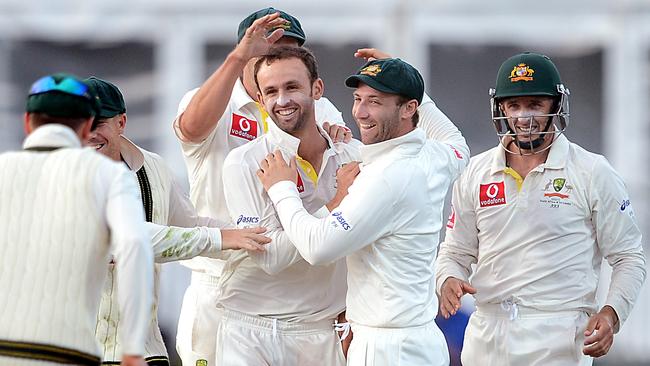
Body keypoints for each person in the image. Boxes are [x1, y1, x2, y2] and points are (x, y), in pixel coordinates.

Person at [435, 52, 647, 365]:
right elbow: (455, 252)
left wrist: (611, 313)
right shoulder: (475, 172)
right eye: (514, 105)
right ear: (501, 108)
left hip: (558, 337)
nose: (523, 117)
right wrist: (448, 279)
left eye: (535, 104)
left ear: (555, 106)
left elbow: (629, 256)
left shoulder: (592, 172)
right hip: (487, 336)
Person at [257, 57, 469, 365]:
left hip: (387, 349)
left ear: (409, 109)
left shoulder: (385, 177)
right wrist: (401, 75)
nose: (360, 113)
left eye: (375, 102)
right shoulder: (435, 155)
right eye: (358, 99)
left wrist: (282, 189)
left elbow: (317, 248)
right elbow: (457, 141)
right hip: (419, 340)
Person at [173, 8, 349, 365]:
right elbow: (190, 129)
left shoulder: (317, 104)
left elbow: (341, 164)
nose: (279, 59)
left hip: (298, 290)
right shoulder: (214, 98)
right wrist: (239, 55)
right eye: (266, 52)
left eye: (290, 51)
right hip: (220, 276)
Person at [84, 77, 271, 366]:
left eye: (98, 124)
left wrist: (256, 236)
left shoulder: (153, 168)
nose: (88, 134)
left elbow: (190, 223)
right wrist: (222, 238)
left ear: (121, 123)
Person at [218, 45, 360, 366]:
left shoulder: (354, 158)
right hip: (249, 329)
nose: (282, 100)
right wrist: (337, 205)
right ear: (260, 100)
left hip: (321, 331)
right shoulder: (244, 162)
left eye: (292, 87)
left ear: (317, 89)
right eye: (271, 91)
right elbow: (270, 257)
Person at [0, 73, 154, 366]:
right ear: (85, 127)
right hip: (69, 352)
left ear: (27, 122)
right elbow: (135, 245)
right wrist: (133, 347)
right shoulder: (108, 175)